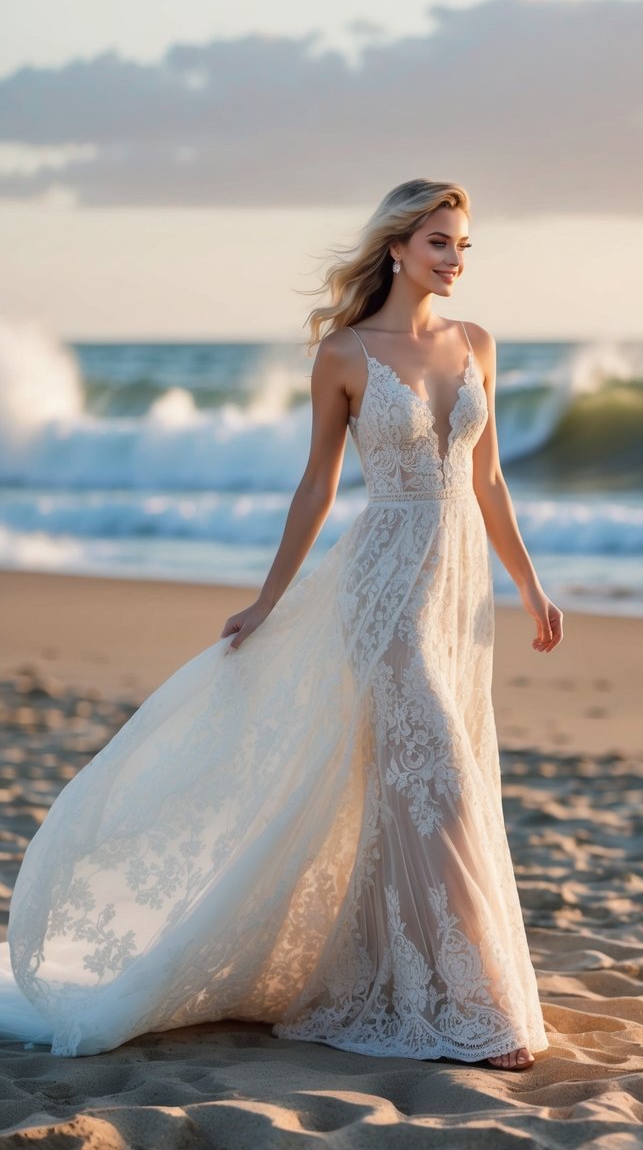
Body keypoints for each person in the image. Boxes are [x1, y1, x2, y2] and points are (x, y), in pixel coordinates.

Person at [0, 178, 563, 1071]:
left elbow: (488, 481)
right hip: (379, 589)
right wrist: (267, 599)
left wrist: (528, 585)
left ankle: (416, 976)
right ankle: (479, 1003)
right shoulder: (343, 355)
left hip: (459, 587)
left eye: (462, 247)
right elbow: (317, 488)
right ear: (396, 250)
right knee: (438, 777)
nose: (454, 261)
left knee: (417, 786)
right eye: (438, 245)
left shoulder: (476, 344)